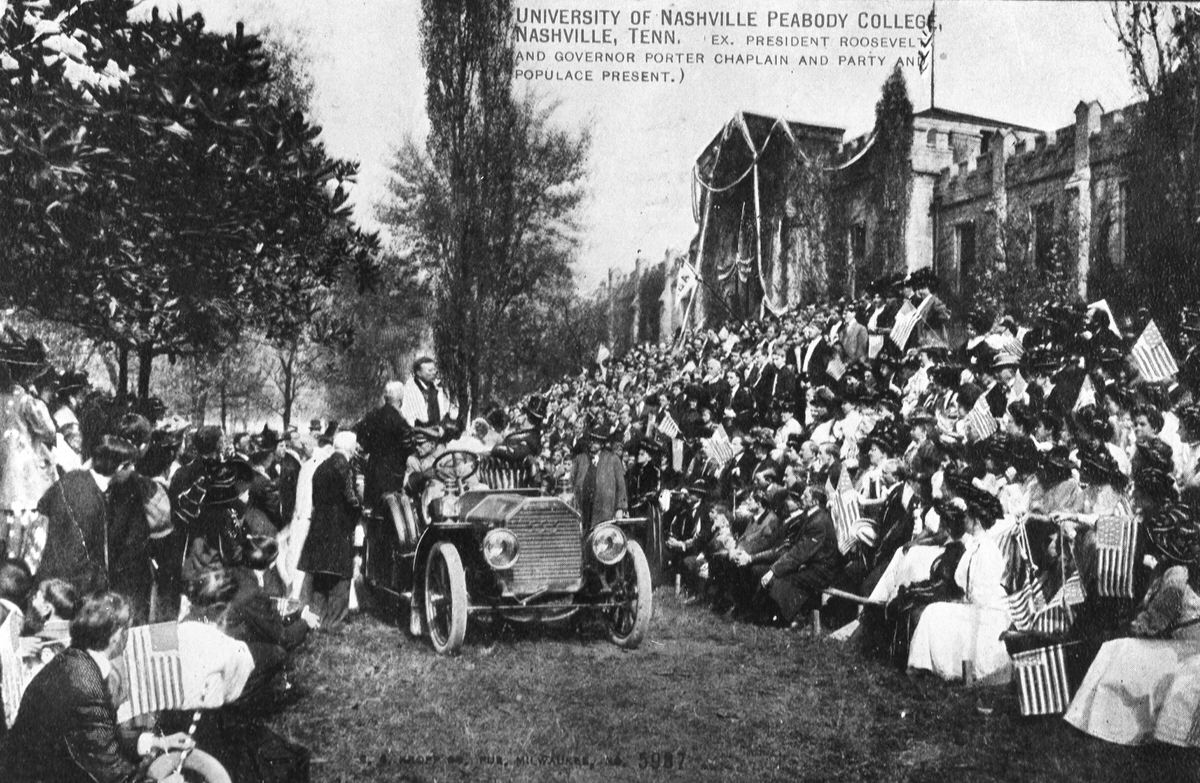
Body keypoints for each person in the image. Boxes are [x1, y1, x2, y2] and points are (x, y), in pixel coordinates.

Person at [0, 592, 194, 783]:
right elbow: (112, 772)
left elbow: (99, 736)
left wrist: (155, 742)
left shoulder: (71, 659)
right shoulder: (86, 685)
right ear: (116, 636)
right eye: (127, 628)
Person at [298, 431, 362, 631]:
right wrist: (359, 511)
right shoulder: (345, 468)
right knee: (341, 578)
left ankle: (317, 619)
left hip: (319, 527)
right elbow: (351, 499)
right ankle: (334, 622)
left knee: (321, 577)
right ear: (350, 449)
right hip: (339, 528)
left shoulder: (321, 467)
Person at [356, 380, 417, 509]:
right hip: (393, 473)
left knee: (374, 510)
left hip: (373, 470)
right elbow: (409, 446)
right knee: (391, 510)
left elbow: (361, 439)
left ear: (385, 398)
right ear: (401, 399)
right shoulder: (400, 421)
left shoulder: (372, 416)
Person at [570, 422, 628, 529]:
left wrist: (620, 508)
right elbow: (572, 480)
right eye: (590, 440)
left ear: (602, 444)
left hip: (604, 508)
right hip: (584, 507)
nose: (591, 443)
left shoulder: (612, 459)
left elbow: (621, 486)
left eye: (595, 442)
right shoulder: (580, 459)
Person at [400, 357, 457, 439]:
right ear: (418, 373)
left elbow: (443, 413)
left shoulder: (436, 388)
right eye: (430, 370)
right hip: (419, 436)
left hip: (438, 433)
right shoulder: (409, 390)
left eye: (434, 370)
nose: (434, 373)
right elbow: (410, 418)